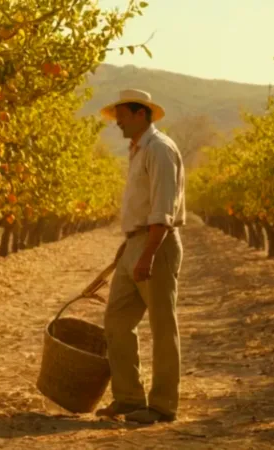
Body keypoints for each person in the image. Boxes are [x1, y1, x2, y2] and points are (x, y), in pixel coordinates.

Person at [95, 89, 186, 424]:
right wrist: (129, 246)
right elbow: (142, 206)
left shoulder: (159, 149)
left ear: (140, 114)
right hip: (136, 242)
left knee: (162, 326)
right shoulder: (138, 150)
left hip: (156, 244)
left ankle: (162, 405)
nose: (116, 122)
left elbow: (163, 209)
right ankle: (129, 397)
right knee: (117, 321)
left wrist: (147, 253)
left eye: (121, 115)